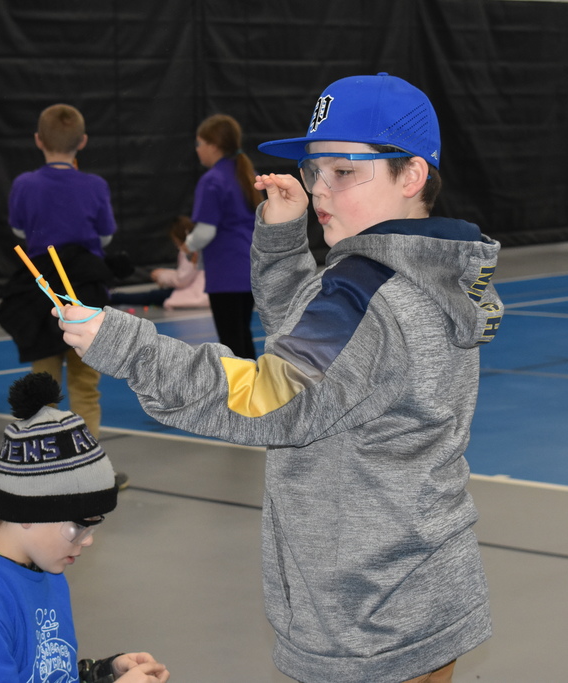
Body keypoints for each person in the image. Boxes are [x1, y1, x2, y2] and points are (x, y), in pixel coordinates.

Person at [55, 73, 502, 683]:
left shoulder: (366, 292)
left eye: (344, 172)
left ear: (413, 175)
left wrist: (127, 345)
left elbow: (270, 395)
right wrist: (284, 237)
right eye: (315, 170)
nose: (320, 188)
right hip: (421, 585)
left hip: (366, 613)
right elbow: (319, 349)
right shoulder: (424, 274)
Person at [0, 373, 170, 683]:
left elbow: (41, 674)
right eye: (78, 527)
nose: (87, 542)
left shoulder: (43, 568)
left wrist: (102, 673)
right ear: (27, 513)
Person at [0, 103, 118, 441]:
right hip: (85, 294)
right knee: (86, 386)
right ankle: (89, 459)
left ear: (38, 140)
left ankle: (41, 458)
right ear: (83, 141)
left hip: (42, 293)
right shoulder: (94, 185)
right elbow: (106, 236)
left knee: (43, 386)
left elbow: (20, 231)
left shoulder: (24, 184)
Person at [184, 114, 261, 359]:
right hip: (249, 266)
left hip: (226, 271)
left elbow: (206, 230)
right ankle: (255, 389)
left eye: (198, 144)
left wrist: (188, 245)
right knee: (243, 334)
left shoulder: (212, 181)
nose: (197, 150)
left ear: (213, 145)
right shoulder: (246, 174)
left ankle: (240, 394)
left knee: (230, 340)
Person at [109, 216, 209, 310]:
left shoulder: (189, 249)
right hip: (197, 291)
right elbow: (187, 274)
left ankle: (112, 297)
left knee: (151, 296)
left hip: (193, 293)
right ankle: (112, 296)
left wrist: (161, 275)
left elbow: (182, 280)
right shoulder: (199, 247)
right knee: (153, 295)